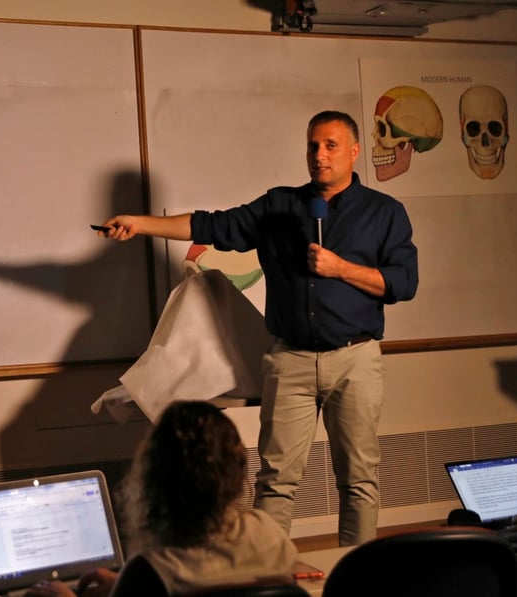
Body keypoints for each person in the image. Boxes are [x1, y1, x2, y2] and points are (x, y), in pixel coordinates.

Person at [96, 111, 419, 546]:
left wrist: (341, 268)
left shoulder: (385, 213)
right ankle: (269, 576)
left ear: (355, 151)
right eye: (312, 146)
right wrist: (141, 223)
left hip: (355, 359)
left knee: (359, 480)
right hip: (291, 360)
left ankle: (354, 578)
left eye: (330, 146)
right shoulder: (280, 205)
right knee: (276, 480)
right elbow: (210, 225)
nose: (319, 156)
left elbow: (403, 282)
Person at [25, 400, 297, 597]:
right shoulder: (270, 535)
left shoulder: (153, 571)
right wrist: (122, 587)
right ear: (236, 470)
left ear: (155, 479)